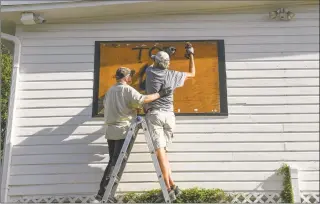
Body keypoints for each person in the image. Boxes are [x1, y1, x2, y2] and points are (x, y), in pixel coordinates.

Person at [93, 67, 172, 203]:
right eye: (130, 77)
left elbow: (118, 106)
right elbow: (144, 99)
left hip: (111, 131)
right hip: (123, 131)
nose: (131, 79)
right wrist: (161, 93)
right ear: (126, 77)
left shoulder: (110, 91)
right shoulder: (127, 90)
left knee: (113, 161)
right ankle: (105, 195)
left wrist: (130, 108)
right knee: (118, 163)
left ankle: (104, 193)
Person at [143, 43, 196, 202]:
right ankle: (172, 184)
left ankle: (167, 188)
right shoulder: (174, 75)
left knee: (160, 155)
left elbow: (154, 62)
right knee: (164, 153)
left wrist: (164, 54)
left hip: (156, 115)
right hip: (169, 116)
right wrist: (191, 54)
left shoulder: (150, 72)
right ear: (168, 64)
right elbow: (193, 73)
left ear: (157, 62)